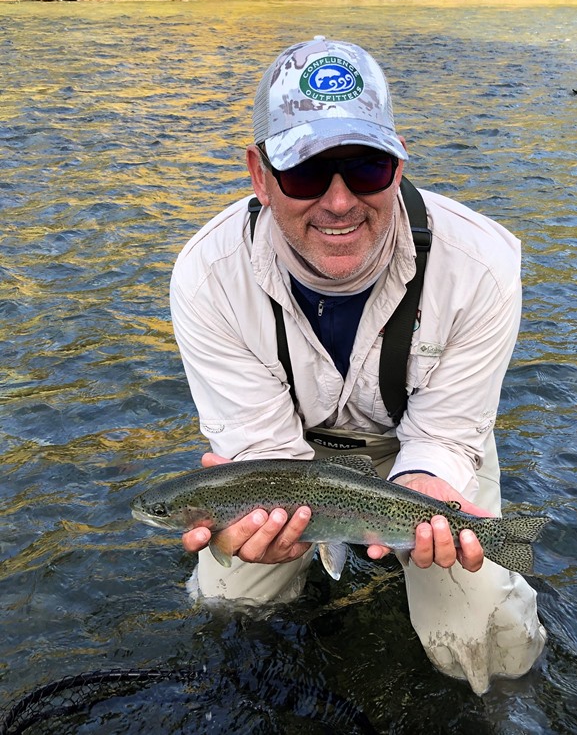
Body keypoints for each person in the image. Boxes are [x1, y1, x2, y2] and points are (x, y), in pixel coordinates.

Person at [169, 36, 546, 695]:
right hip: (287, 465)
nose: (339, 202)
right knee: (230, 612)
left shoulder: (484, 265)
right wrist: (256, 529)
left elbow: (446, 433)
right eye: (307, 172)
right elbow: (264, 451)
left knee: (495, 652)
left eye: (366, 168)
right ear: (259, 175)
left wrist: (427, 489)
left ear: (398, 166)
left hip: (431, 453)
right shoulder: (206, 278)